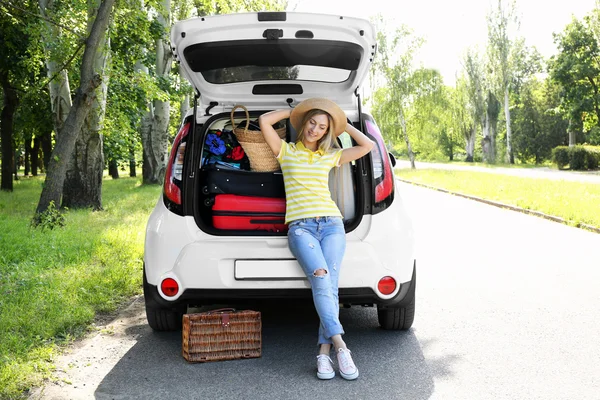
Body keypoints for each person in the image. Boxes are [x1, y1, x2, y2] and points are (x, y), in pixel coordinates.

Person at [258, 98, 374, 380]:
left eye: (322, 127)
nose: (315, 129)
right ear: (304, 124)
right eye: (312, 123)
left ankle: (323, 355)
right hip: (301, 228)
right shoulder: (285, 151)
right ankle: (341, 347)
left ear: (326, 132)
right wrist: (296, 111)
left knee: (330, 285)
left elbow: (366, 146)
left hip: (332, 225)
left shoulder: (329, 155)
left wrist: (342, 124)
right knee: (322, 278)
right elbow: (264, 121)